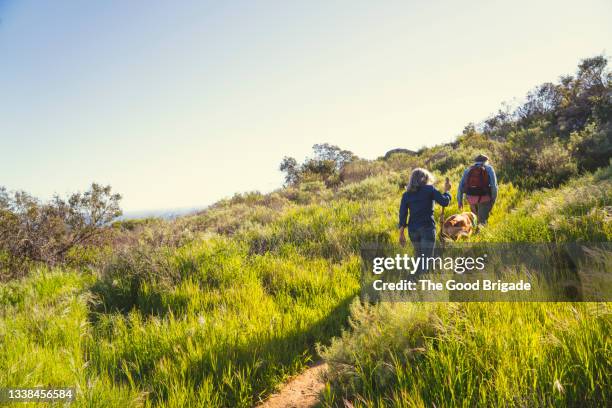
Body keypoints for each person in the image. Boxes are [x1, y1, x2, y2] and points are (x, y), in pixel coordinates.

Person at [399, 168, 451, 265]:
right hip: (427, 228)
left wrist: (401, 233)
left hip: (413, 230)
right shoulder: (430, 189)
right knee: (426, 259)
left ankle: (416, 276)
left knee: (419, 257)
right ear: (425, 178)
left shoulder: (406, 195)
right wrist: (447, 192)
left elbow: (403, 214)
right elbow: (444, 202)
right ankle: (422, 278)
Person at [457, 153, 498, 226]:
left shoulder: (468, 170)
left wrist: (460, 201)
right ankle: (481, 236)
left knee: (475, 220)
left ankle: (474, 234)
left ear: (475, 161)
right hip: (484, 199)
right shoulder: (489, 168)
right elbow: (494, 186)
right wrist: (493, 199)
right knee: (482, 223)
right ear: (486, 161)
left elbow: (460, 186)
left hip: (471, 199)